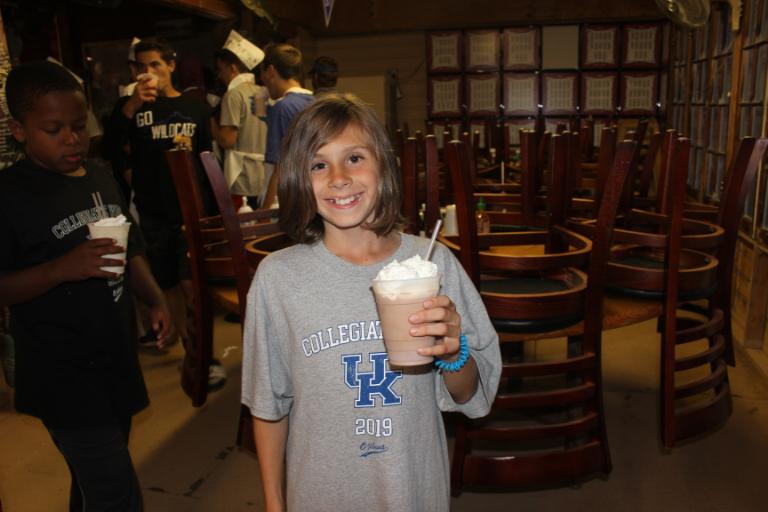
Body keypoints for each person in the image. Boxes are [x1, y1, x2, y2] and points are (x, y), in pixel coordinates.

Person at [241, 93, 501, 511]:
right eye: (318, 165)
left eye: (355, 158)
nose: (339, 178)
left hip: (412, 492)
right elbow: (269, 405)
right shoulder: (277, 280)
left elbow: (470, 394)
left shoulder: (434, 265)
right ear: (298, 179)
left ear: (383, 165)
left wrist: (454, 354)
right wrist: (274, 502)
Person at [0, 60, 173, 511]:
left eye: (79, 126)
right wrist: (61, 268)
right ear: (19, 130)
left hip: (114, 360)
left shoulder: (99, 175)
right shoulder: (10, 196)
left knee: (94, 483)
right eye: (54, 129)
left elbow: (130, 247)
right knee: (115, 492)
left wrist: (154, 298)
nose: (72, 139)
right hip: (62, 376)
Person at [103, 39, 226, 387]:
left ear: (171, 65)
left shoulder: (195, 107)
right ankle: (192, 352)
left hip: (191, 214)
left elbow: (206, 160)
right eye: (141, 67)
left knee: (192, 286)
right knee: (168, 284)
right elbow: (111, 149)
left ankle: (205, 355)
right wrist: (131, 106)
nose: (148, 73)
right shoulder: (130, 108)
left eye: (155, 64)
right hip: (153, 213)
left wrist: (213, 212)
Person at [212, 30, 270, 205]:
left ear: (232, 69)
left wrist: (211, 124)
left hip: (242, 177)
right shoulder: (262, 92)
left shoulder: (233, 95)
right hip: (263, 174)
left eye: (221, 70)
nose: (219, 76)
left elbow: (227, 140)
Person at [259, 43, 314, 208]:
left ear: (271, 72)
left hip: (288, 198)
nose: (263, 82)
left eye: (262, 74)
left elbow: (280, 168)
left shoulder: (283, 107)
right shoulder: (315, 102)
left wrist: (265, 213)